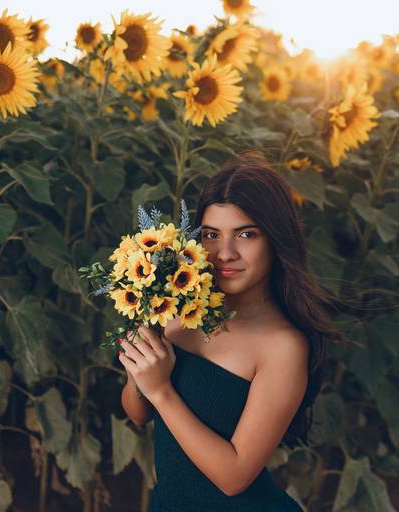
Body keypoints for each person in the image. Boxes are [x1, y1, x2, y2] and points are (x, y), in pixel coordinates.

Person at [117, 149, 343, 511]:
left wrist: (161, 391)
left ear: (275, 239)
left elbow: (234, 477)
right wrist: (141, 370)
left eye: (246, 234)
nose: (224, 252)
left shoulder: (283, 346)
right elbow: (138, 413)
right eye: (211, 234)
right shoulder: (179, 308)